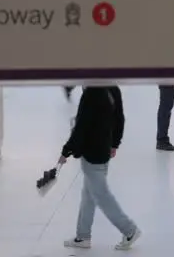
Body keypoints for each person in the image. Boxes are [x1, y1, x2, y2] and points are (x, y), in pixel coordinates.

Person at [60, 86, 141, 251]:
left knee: (101, 195)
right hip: (104, 147)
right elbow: (119, 118)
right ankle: (82, 236)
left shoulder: (91, 93)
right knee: (88, 194)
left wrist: (66, 151)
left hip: (92, 152)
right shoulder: (112, 88)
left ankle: (129, 230)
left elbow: (81, 126)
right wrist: (114, 143)